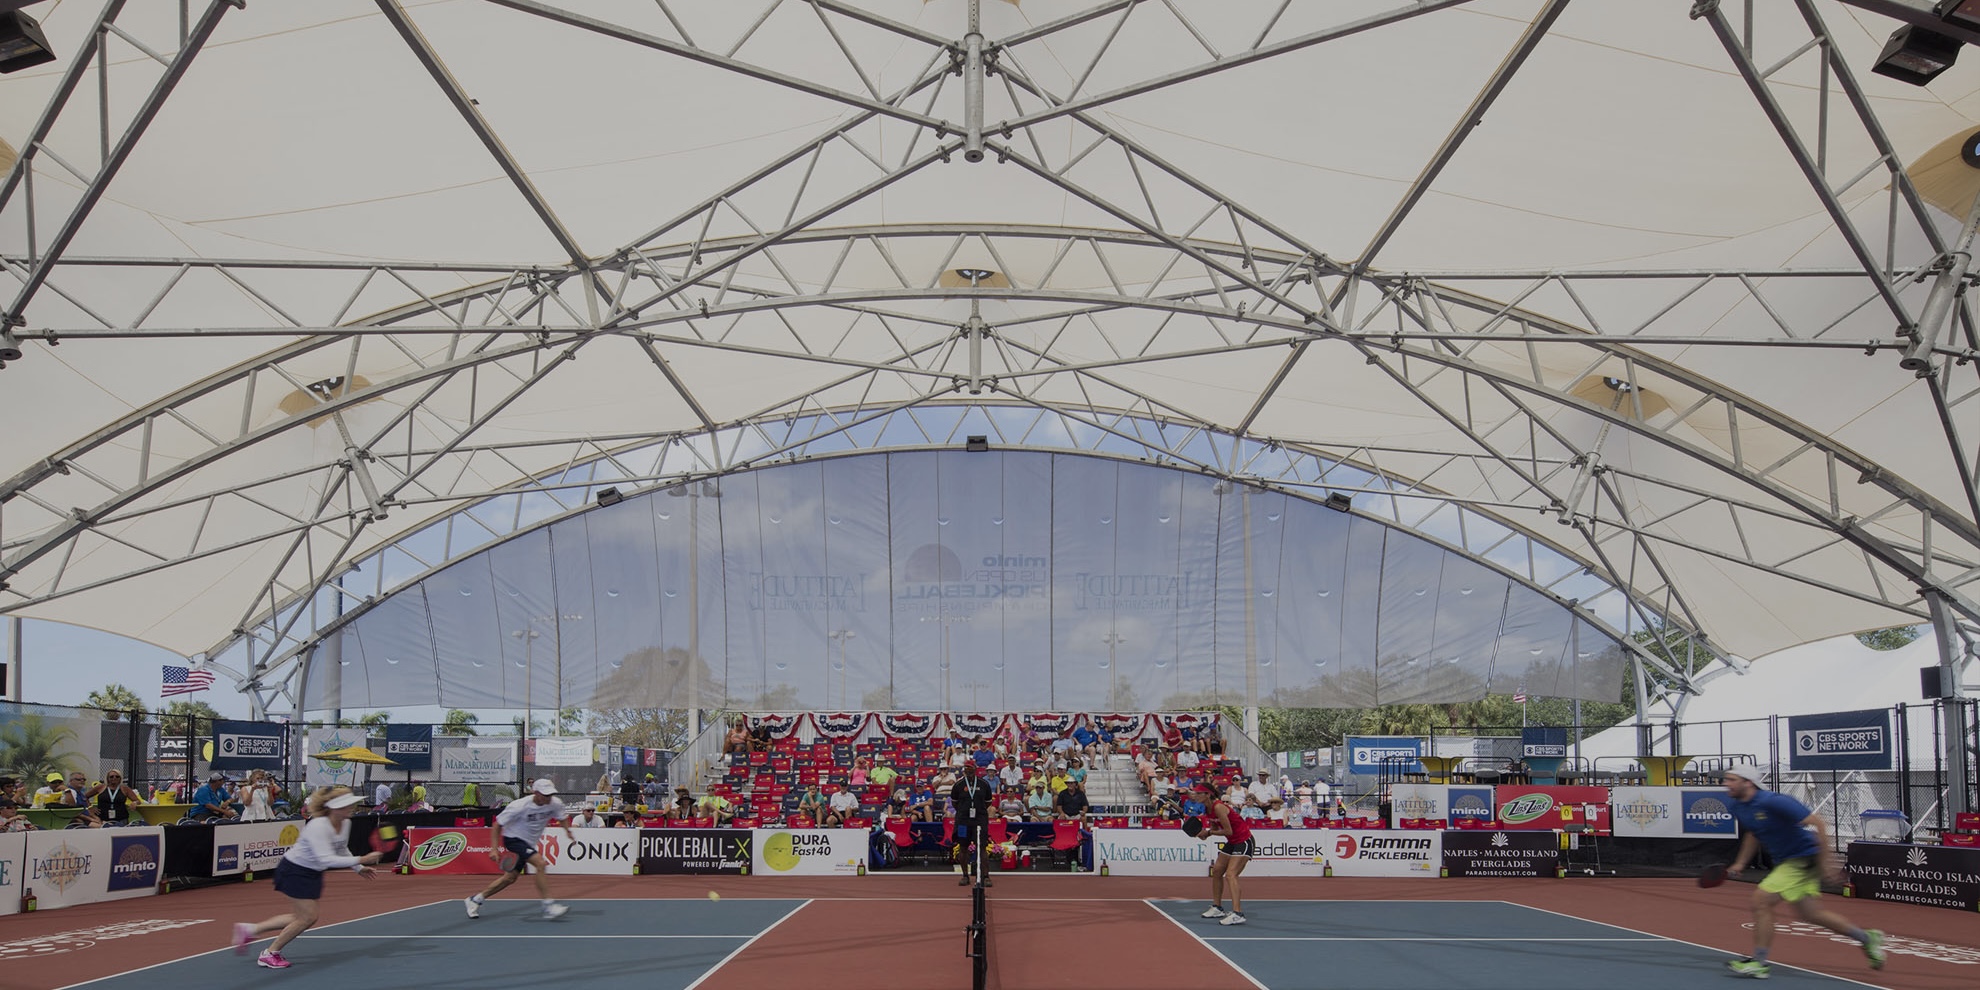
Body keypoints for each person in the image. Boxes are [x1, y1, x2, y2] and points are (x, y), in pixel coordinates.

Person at [1719, 766, 1884, 978]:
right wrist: (1740, 862)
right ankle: (1866, 938)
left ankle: (1759, 963)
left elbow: (1818, 823)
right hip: (1786, 861)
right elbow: (1754, 831)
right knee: (1811, 914)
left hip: (1803, 858)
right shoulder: (1736, 805)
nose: (1726, 784)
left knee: (1761, 901)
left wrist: (1827, 861)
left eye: (1731, 780)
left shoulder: (1774, 801)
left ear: (1748, 782)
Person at [231, 787, 386, 969]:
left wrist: (358, 868)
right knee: (307, 917)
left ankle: (250, 930)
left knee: (301, 917)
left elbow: (341, 848)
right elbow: (325, 858)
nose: (351, 808)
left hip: (312, 873)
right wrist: (362, 858)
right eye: (346, 805)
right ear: (333, 808)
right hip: (294, 870)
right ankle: (269, 953)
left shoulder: (345, 823)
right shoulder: (318, 826)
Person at [466, 779, 575, 921]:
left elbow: (562, 817)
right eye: (545, 795)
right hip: (513, 839)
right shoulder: (519, 806)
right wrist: (494, 849)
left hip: (529, 843)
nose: (549, 798)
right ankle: (548, 906)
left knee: (510, 878)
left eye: (550, 795)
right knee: (540, 864)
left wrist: (567, 830)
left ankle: (476, 899)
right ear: (536, 793)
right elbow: (497, 824)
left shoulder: (555, 803)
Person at [1192, 781, 1253, 926]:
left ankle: (1238, 914)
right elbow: (1214, 827)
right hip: (1232, 842)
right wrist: (1205, 833)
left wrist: (1209, 832)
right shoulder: (1207, 809)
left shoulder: (1219, 807)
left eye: (1199, 793)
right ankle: (1217, 907)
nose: (1196, 795)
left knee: (1231, 875)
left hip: (1244, 840)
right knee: (1217, 871)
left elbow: (1228, 831)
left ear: (1208, 794)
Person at [949, 762, 995, 885]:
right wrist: (964, 811)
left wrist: (978, 811)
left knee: (982, 848)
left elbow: (988, 802)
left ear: (975, 769)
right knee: (963, 848)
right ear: (964, 770)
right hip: (963, 820)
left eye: (971, 768)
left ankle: (985, 876)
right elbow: (954, 803)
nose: (969, 771)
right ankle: (965, 875)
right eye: (967, 768)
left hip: (979, 820)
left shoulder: (983, 784)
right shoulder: (958, 785)